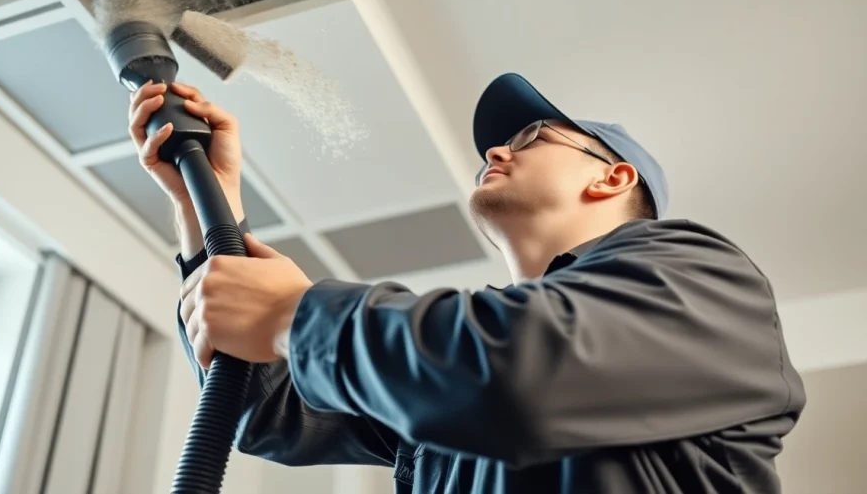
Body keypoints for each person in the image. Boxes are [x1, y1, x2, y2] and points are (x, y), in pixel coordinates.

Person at [128, 72, 806, 493]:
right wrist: (205, 205)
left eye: (534, 136)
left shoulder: (701, 276)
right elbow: (268, 412)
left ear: (613, 176)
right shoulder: (444, 375)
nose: (496, 150)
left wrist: (296, 314)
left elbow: (523, 372)